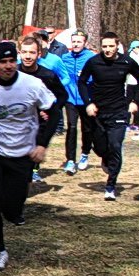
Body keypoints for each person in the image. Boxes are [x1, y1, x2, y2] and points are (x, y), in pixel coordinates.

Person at [0, 41, 58, 270]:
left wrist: (42, 144)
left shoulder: (33, 85)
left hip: (21, 154)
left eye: (11, 61)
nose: (8, 66)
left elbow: (54, 111)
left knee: (13, 208)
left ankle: (12, 211)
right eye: (3, 62)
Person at [77, 32, 139, 200]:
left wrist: (135, 101)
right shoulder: (93, 62)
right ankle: (105, 158)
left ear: (117, 45)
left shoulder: (127, 61)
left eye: (111, 46)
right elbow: (82, 82)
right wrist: (88, 103)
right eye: (104, 46)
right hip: (98, 113)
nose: (107, 50)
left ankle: (110, 186)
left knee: (115, 146)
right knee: (100, 149)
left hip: (119, 111)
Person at [17, 37, 67, 184]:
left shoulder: (48, 75)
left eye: (32, 53)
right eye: (24, 52)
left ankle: (29, 176)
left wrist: (51, 110)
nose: (27, 56)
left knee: (28, 160)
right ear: (19, 53)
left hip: (39, 125)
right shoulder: (13, 73)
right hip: (17, 124)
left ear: (39, 54)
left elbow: (63, 95)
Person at [60, 29, 96, 175]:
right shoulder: (65, 58)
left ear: (85, 43)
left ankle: (85, 154)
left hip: (86, 98)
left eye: (79, 42)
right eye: (74, 41)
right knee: (72, 126)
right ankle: (70, 160)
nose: (76, 44)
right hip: (70, 98)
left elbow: (97, 77)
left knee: (87, 128)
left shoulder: (91, 57)